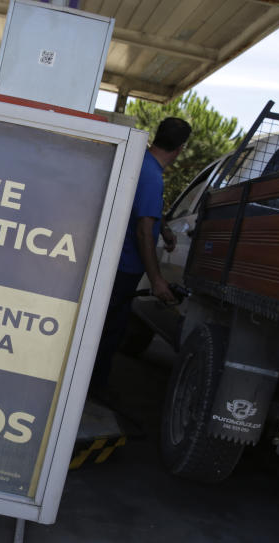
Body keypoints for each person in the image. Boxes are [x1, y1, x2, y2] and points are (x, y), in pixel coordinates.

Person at [90, 117, 191, 396]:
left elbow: (140, 210)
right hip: (122, 269)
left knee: (106, 328)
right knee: (109, 333)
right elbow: (144, 231)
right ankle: (92, 394)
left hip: (111, 263)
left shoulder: (139, 163)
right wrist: (157, 281)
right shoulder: (153, 177)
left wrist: (166, 228)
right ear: (181, 148)